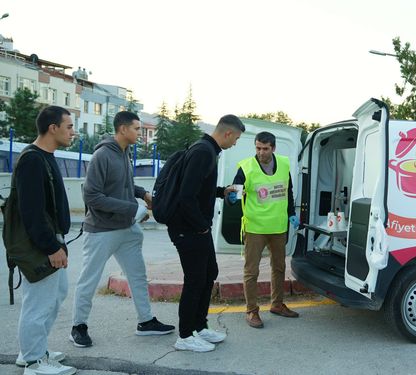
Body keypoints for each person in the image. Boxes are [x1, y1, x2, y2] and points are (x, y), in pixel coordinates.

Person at [70, 111, 174, 348]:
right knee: (89, 279)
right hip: (101, 230)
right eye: (137, 129)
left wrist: (142, 193)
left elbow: (122, 184)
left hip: (127, 230)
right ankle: (78, 326)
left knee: (138, 276)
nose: (140, 133)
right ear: (123, 129)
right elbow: (92, 195)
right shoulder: (102, 155)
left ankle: (146, 322)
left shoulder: (124, 153)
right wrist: (132, 209)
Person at [167, 114, 245, 352]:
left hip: (197, 228)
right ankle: (185, 336)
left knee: (209, 272)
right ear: (227, 133)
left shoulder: (207, 150)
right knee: (195, 280)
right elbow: (186, 196)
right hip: (189, 229)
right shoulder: (203, 152)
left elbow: (200, 188)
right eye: (236, 138)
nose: (235, 144)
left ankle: (200, 327)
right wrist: (201, 225)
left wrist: (222, 191)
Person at [15, 106, 77, 375]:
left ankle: (32, 350)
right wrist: (51, 246)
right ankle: (33, 362)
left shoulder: (46, 157)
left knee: (55, 295)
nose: (72, 132)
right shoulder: (32, 159)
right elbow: (32, 211)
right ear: (53, 128)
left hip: (54, 239)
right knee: (39, 301)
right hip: (42, 243)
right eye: (69, 126)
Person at [228, 131, 300, 329]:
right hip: (255, 227)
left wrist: (291, 212)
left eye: (265, 148)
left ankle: (277, 305)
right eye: (258, 148)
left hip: (278, 226)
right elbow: (236, 190)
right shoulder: (246, 167)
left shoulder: (284, 164)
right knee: (251, 271)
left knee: (279, 268)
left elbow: (288, 190)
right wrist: (231, 197)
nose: (261, 152)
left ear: (273, 148)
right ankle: (251, 310)